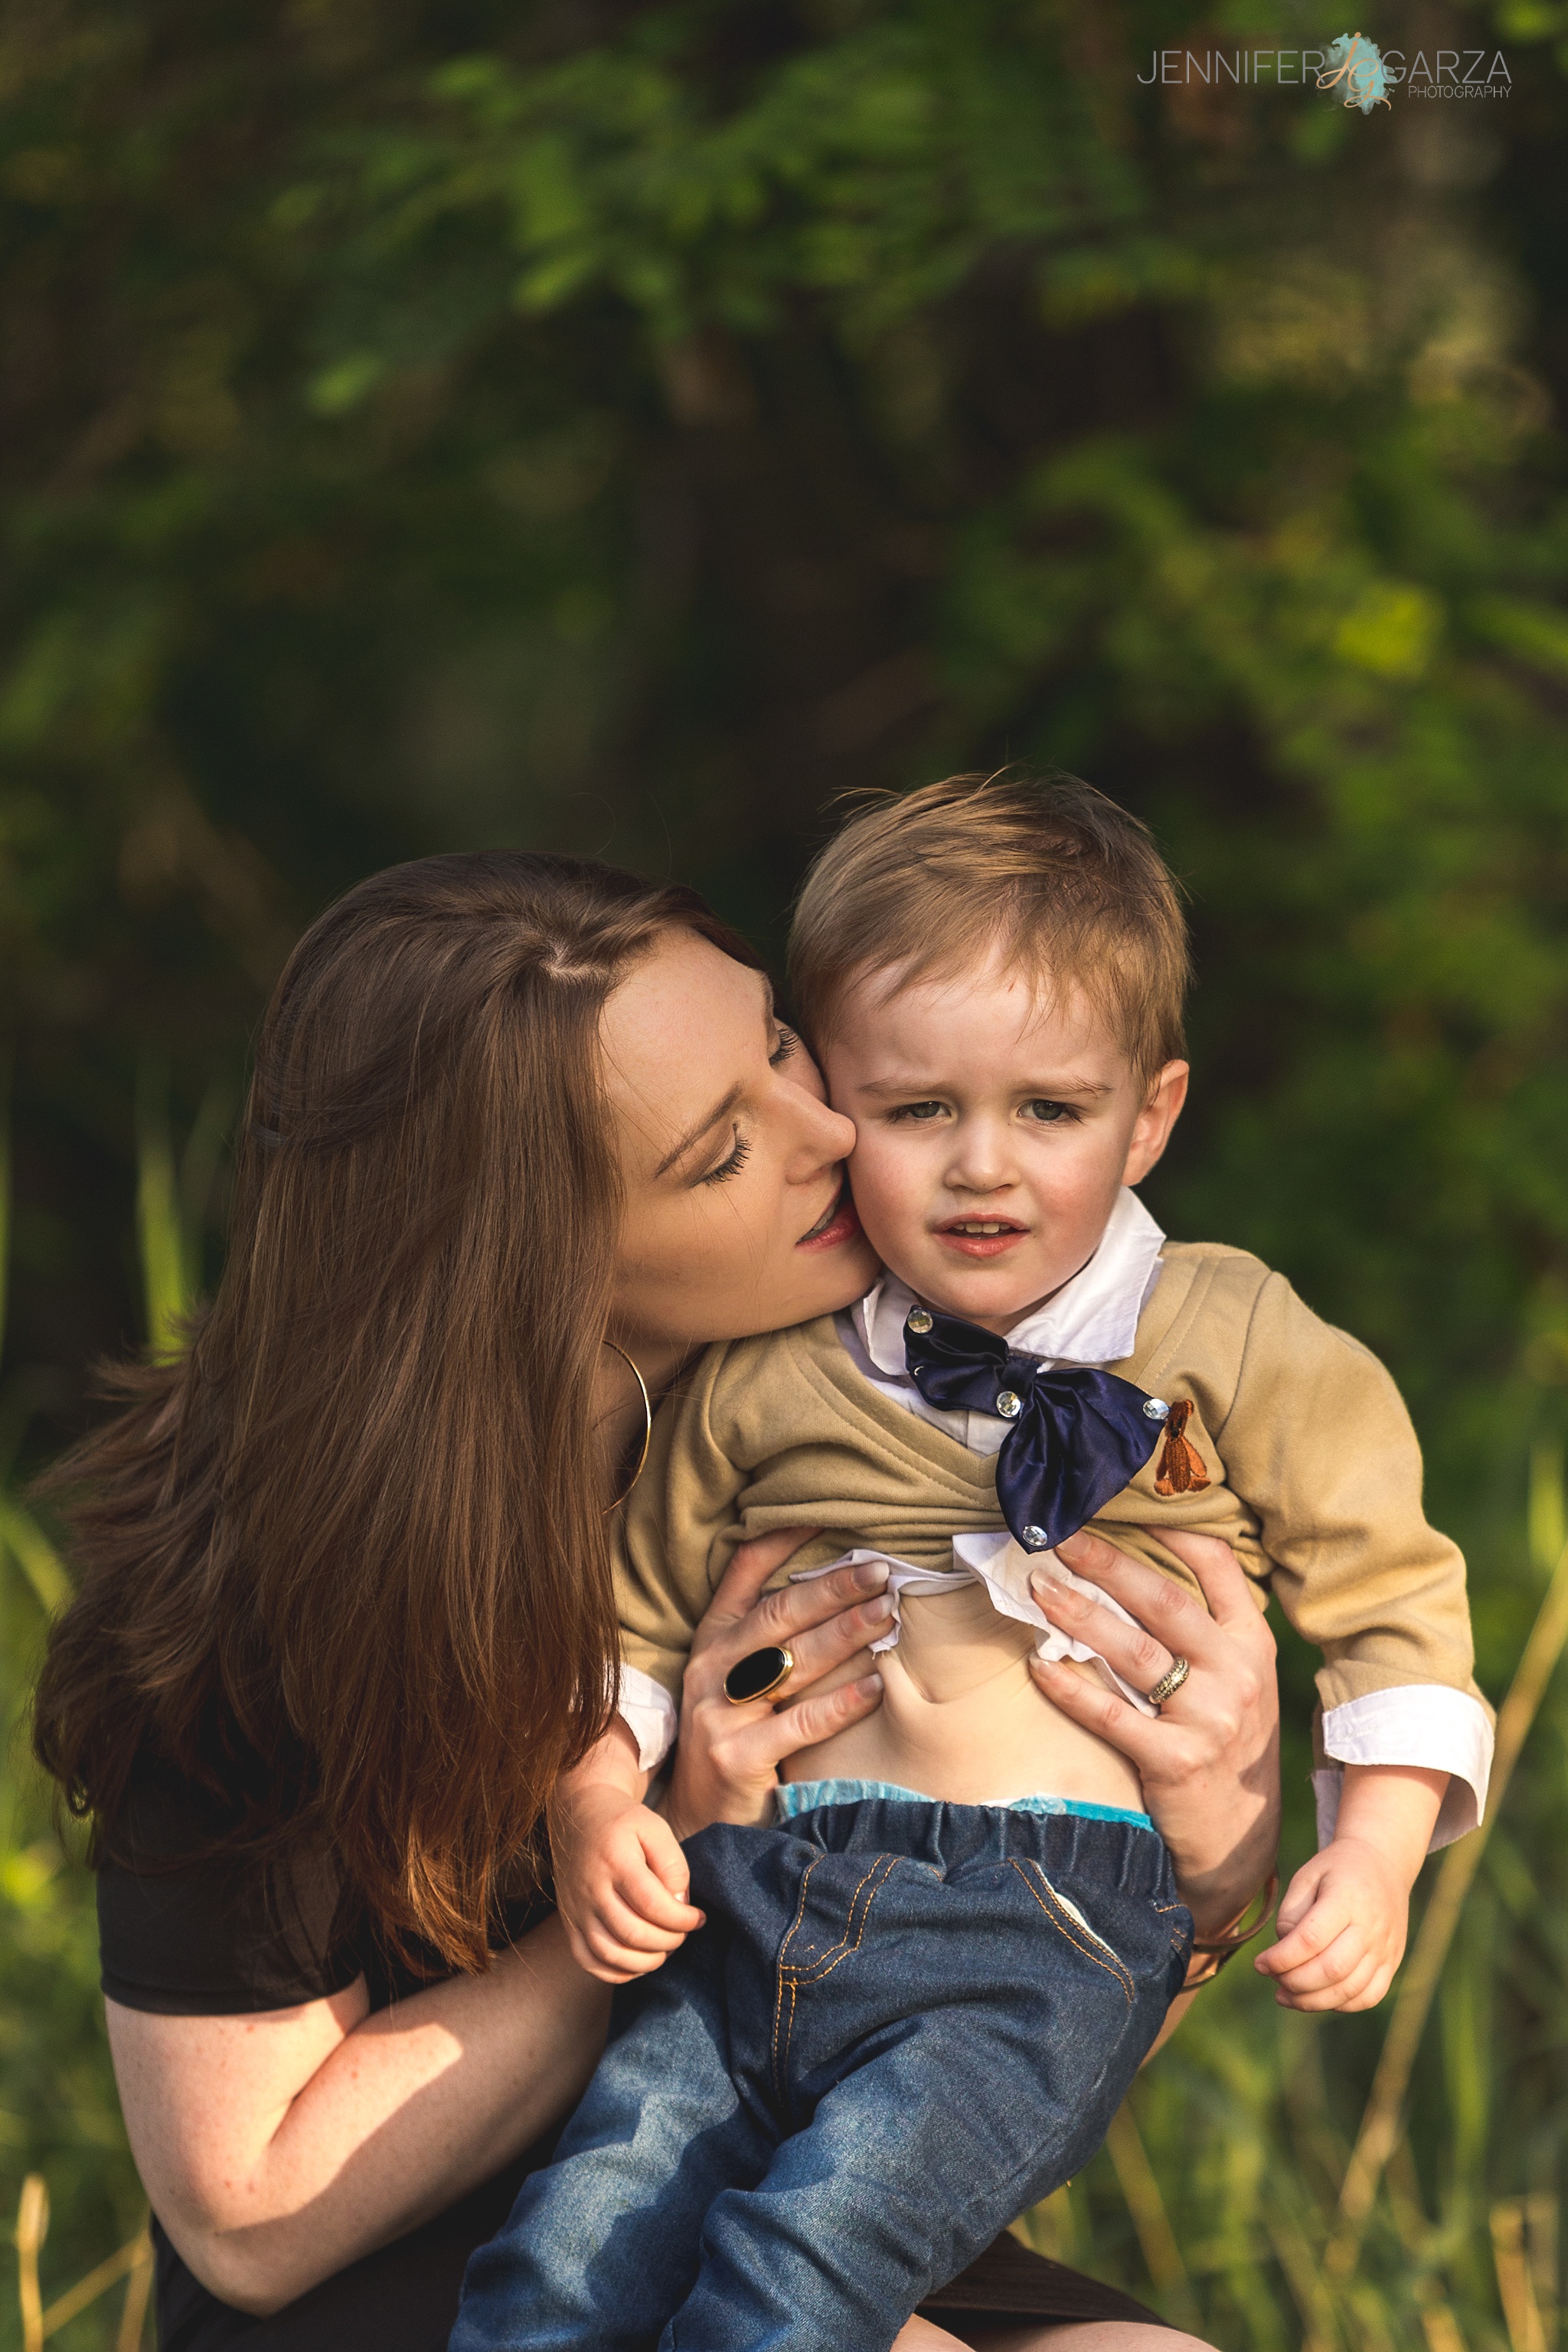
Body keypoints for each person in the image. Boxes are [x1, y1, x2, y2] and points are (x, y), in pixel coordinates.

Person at [32, 849, 1278, 2352]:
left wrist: (1200, 1870)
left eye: (775, 1046)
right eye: (718, 1153)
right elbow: (248, 2219)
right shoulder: (268, 1585)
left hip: (781, 2192)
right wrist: (671, 1849)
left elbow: (997, 2039)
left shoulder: (946, 1433)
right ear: (537, 1261)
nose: (834, 1127)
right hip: (426, 2265)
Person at [452, 780, 1491, 2352]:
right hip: (758, 1899)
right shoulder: (772, 1367)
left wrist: (1377, 1855)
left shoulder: (1232, 1336)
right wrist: (600, 1801)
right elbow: (638, 1625)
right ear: (828, 1104)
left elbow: (1392, 1610)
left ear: (1152, 1113)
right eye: (917, 1109)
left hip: (1040, 1931)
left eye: (1049, 1112)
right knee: (569, 2251)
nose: (980, 1169)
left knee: (800, 2273)